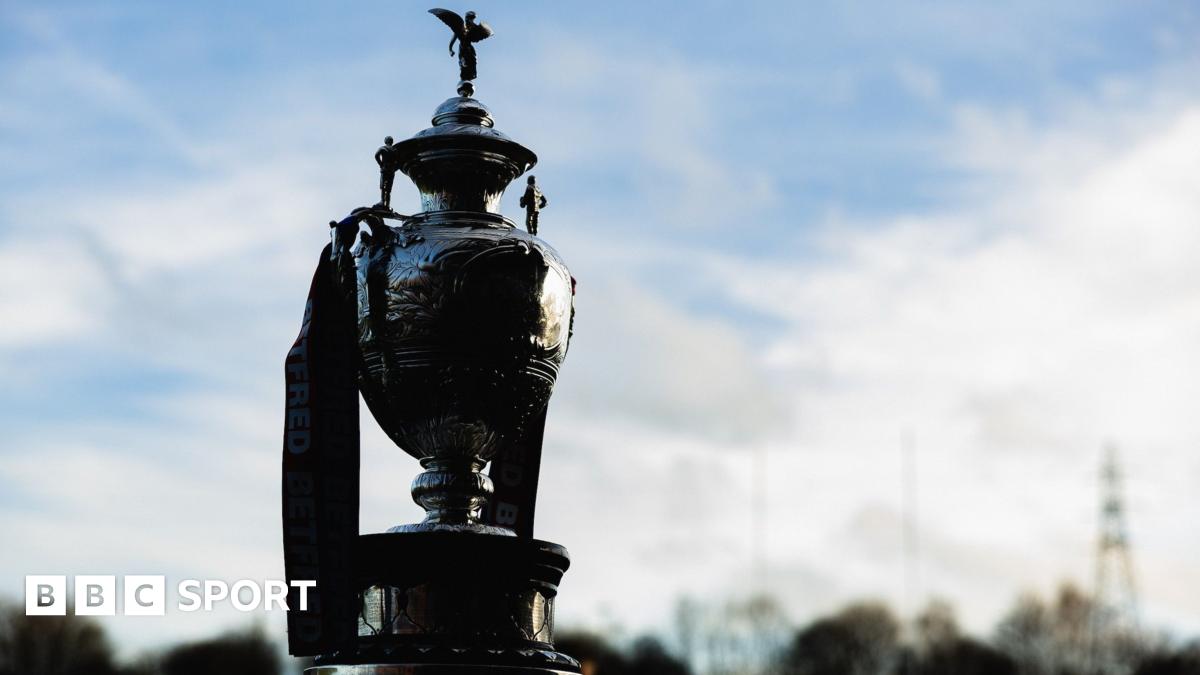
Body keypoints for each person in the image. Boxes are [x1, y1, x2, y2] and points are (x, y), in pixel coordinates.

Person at [375, 136, 397, 208]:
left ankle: (382, 201)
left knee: (383, 187)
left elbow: (376, 155)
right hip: (391, 171)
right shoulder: (395, 150)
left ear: (385, 141)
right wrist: (395, 168)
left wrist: (381, 164)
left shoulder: (383, 148)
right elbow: (399, 161)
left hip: (385, 169)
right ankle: (387, 204)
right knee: (388, 189)